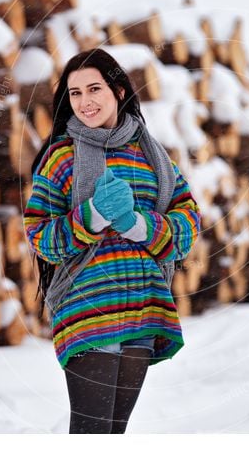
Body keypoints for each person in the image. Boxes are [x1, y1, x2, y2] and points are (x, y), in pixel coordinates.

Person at [23, 48, 201, 434]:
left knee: (113, 436)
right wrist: (93, 217)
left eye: (94, 89)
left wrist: (139, 226)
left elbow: (187, 226)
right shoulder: (61, 159)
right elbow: (40, 236)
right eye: (74, 93)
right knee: (91, 434)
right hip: (88, 307)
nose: (84, 102)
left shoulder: (154, 159)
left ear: (119, 91)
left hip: (143, 306)